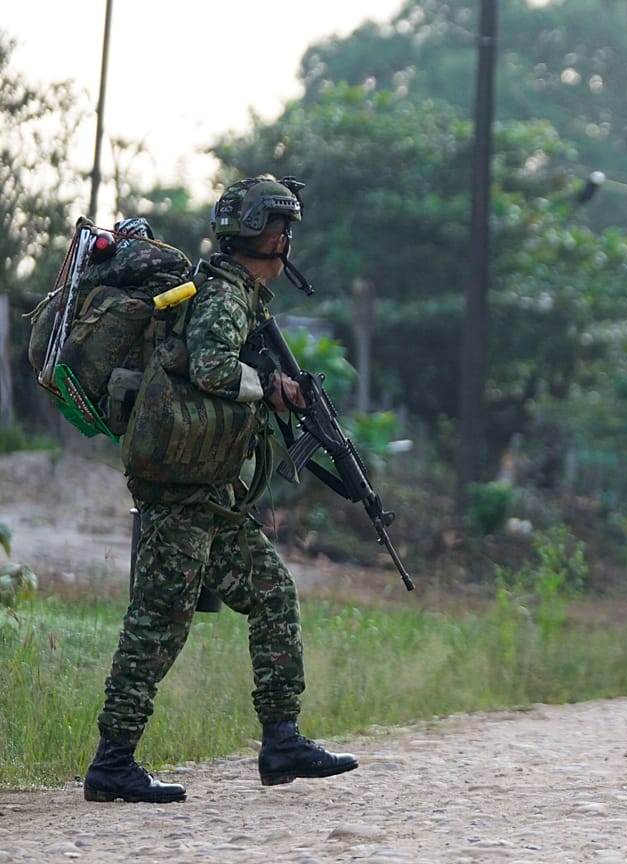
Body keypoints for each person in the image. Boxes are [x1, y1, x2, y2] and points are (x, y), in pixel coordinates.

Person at [84, 175, 357, 803]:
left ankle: (282, 741)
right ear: (264, 236)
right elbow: (209, 366)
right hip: (182, 496)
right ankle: (112, 762)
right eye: (278, 229)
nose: (285, 240)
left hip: (212, 497)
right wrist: (275, 389)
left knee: (273, 596)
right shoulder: (226, 298)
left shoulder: (241, 297)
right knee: (158, 622)